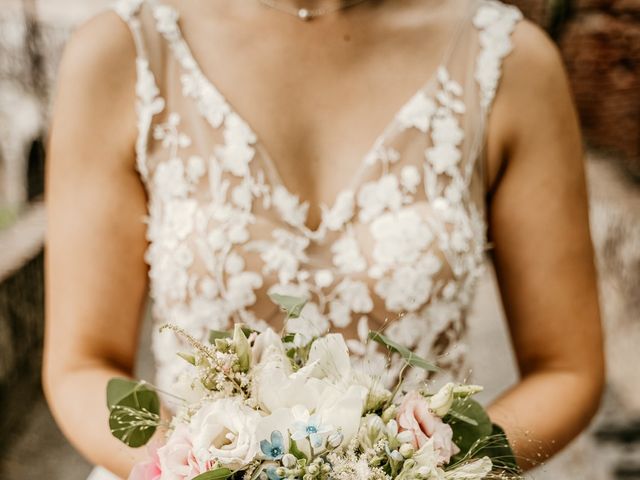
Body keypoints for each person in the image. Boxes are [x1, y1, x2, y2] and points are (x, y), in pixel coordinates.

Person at [43, 0, 605, 478]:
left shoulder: (510, 63)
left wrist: (434, 466)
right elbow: (81, 363)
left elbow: (567, 368)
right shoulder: (122, 53)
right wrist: (191, 467)